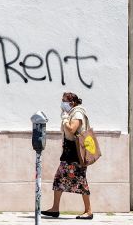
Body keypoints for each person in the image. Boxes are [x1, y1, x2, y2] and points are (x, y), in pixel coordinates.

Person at [41, 92, 93, 220]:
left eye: (64, 100)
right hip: (69, 153)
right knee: (59, 179)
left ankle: (88, 211)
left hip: (76, 155)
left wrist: (64, 118)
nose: (62, 103)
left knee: (81, 181)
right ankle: (55, 208)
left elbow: (71, 130)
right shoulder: (72, 113)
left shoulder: (77, 113)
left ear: (72, 102)